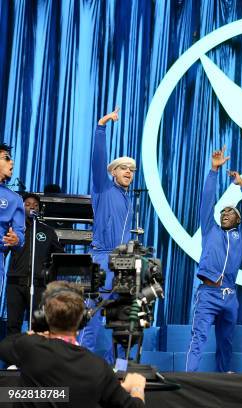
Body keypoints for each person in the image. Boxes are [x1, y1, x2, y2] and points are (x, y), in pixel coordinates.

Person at [0, 281, 146, 408]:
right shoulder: (97, 367)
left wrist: (35, 332)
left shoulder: (29, 347)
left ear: (44, 317)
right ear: (82, 320)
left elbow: (5, 345)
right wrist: (137, 388)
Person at [186, 146, 242, 372]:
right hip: (208, 294)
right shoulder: (210, 230)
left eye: (231, 212)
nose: (225, 214)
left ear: (238, 220)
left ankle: (223, 376)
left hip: (230, 296)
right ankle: (189, 377)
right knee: (198, 339)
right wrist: (214, 171)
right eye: (223, 212)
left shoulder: (241, 236)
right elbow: (207, 201)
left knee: (226, 343)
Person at [79, 108, 136, 355]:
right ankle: (82, 367)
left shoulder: (129, 199)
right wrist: (101, 126)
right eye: (123, 168)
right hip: (101, 259)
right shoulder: (102, 189)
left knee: (123, 322)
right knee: (90, 316)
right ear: (113, 172)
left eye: (132, 170)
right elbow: (98, 160)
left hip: (122, 262)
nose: (128, 173)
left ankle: (121, 370)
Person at [6, 193, 64, 335]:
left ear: (39, 209)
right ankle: (13, 355)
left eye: (35, 205)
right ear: (20, 207)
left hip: (38, 285)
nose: (32, 206)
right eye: (27, 204)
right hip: (15, 283)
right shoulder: (13, 229)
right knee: (13, 324)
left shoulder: (48, 231)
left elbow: (59, 256)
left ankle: (35, 353)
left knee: (38, 324)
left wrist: (50, 276)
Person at [0, 142, 26, 297]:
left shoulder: (14, 199)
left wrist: (16, 240)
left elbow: (20, 234)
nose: (12, 162)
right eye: (6, 158)